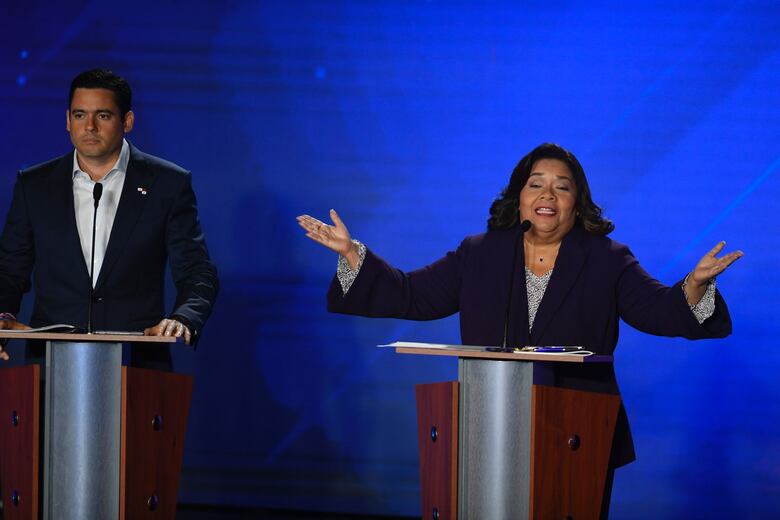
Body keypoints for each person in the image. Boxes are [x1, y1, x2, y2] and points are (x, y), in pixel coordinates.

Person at [296, 142, 742, 516]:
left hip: (575, 436)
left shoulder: (606, 259)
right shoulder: (481, 254)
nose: (548, 194)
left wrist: (694, 285)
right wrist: (353, 254)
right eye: (536, 184)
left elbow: (657, 310)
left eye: (562, 187)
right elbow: (413, 294)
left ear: (576, 203)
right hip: (485, 431)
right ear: (520, 197)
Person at [0, 69, 218, 369]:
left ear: (126, 121)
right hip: (50, 368)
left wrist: (183, 318)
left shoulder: (166, 184)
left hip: (136, 365)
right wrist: (2, 315)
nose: (89, 126)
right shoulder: (34, 185)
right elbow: (10, 270)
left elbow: (196, 271)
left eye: (102, 116)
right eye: (79, 115)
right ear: (67, 121)